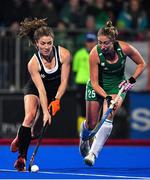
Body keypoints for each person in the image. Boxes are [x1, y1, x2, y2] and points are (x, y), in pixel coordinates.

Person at [79, 20, 145, 166]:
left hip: (116, 87)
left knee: (108, 116)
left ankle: (93, 154)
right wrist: (106, 97)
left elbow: (142, 64)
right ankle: (84, 139)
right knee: (91, 123)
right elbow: (95, 83)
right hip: (96, 88)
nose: (102, 46)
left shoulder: (125, 48)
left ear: (113, 41)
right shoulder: (94, 54)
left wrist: (131, 80)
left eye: (106, 43)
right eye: (99, 42)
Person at [10, 18, 71, 171]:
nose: (46, 47)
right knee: (30, 116)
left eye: (49, 43)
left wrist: (56, 100)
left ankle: (21, 137)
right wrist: (45, 112)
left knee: (36, 130)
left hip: (53, 91)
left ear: (53, 41)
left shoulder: (64, 54)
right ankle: (21, 157)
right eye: (42, 44)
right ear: (36, 43)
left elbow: (64, 81)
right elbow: (41, 90)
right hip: (36, 89)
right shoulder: (33, 63)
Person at [72, 33, 97, 122]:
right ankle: (81, 131)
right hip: (82, 83)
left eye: (92, 41)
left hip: (94, 84)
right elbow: (75, 70)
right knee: (82, 108)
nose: (90, 43)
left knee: (95, 107)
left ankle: (94, 131)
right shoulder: (79, 54)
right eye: (88, 41)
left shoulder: (98, 54)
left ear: (95, 42)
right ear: (85, 43)